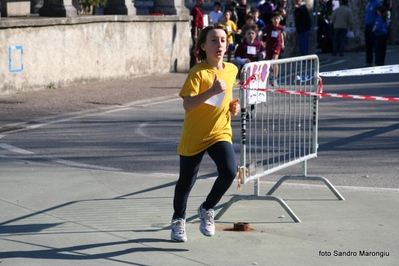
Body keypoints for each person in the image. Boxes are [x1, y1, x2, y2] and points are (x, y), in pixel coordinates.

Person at [170, 23, 240, 242]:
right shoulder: (197, 72)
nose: (219, 44)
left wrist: (232, 105)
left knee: (229, 171)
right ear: (203, 46)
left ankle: (207, 208)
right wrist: (211, 91)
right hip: (195, 134)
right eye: (213, 40)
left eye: (222, 40)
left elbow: (225, 97)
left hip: (219, 131)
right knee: (186, 182)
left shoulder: (231, 69)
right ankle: (178, 219)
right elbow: (188, 105)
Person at [234, 24, 266, 119]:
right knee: (245, 91)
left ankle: (252, 107)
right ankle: (246, 109)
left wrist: (262, 55)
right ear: (245, 35)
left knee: (253, 90)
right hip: (245, 72)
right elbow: (236, 57)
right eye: (248, 33)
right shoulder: (242, 45)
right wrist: (244, 61)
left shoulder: (259, 44)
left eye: (253, 33)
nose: (251, 35)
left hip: (255, 72)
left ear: (256, 34)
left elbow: (264, 52)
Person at [261, 10, 284, 86]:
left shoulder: (281, 28)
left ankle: (275, 78)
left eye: (277, 18)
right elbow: (262, 33)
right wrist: (261, 41)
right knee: (269, 62)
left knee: (274, 61)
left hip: (277, 46)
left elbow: (282, 35)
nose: (276, 20)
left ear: (280, 19)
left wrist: (282, 43)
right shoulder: (268, 27)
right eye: (274, 19)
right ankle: (271, 75)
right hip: (268, 46)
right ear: (271, 20)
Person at [364, 0, 382, 67]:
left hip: (373, 24)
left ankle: (378, 61)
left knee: (375, 44)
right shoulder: (368, 3)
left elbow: (381, 14)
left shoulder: (377, 3)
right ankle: (368, 61)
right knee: (368, 44)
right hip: (367, 24)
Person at [190, 0, 205, 68]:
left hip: (200, 30)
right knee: (196, 46)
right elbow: (195, 23)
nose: (202, 2)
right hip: (197, 30)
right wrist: (195, 34)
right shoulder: (196, 10)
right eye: (201, 1)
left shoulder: (199, 9)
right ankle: (194, 64)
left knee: (199, 46)